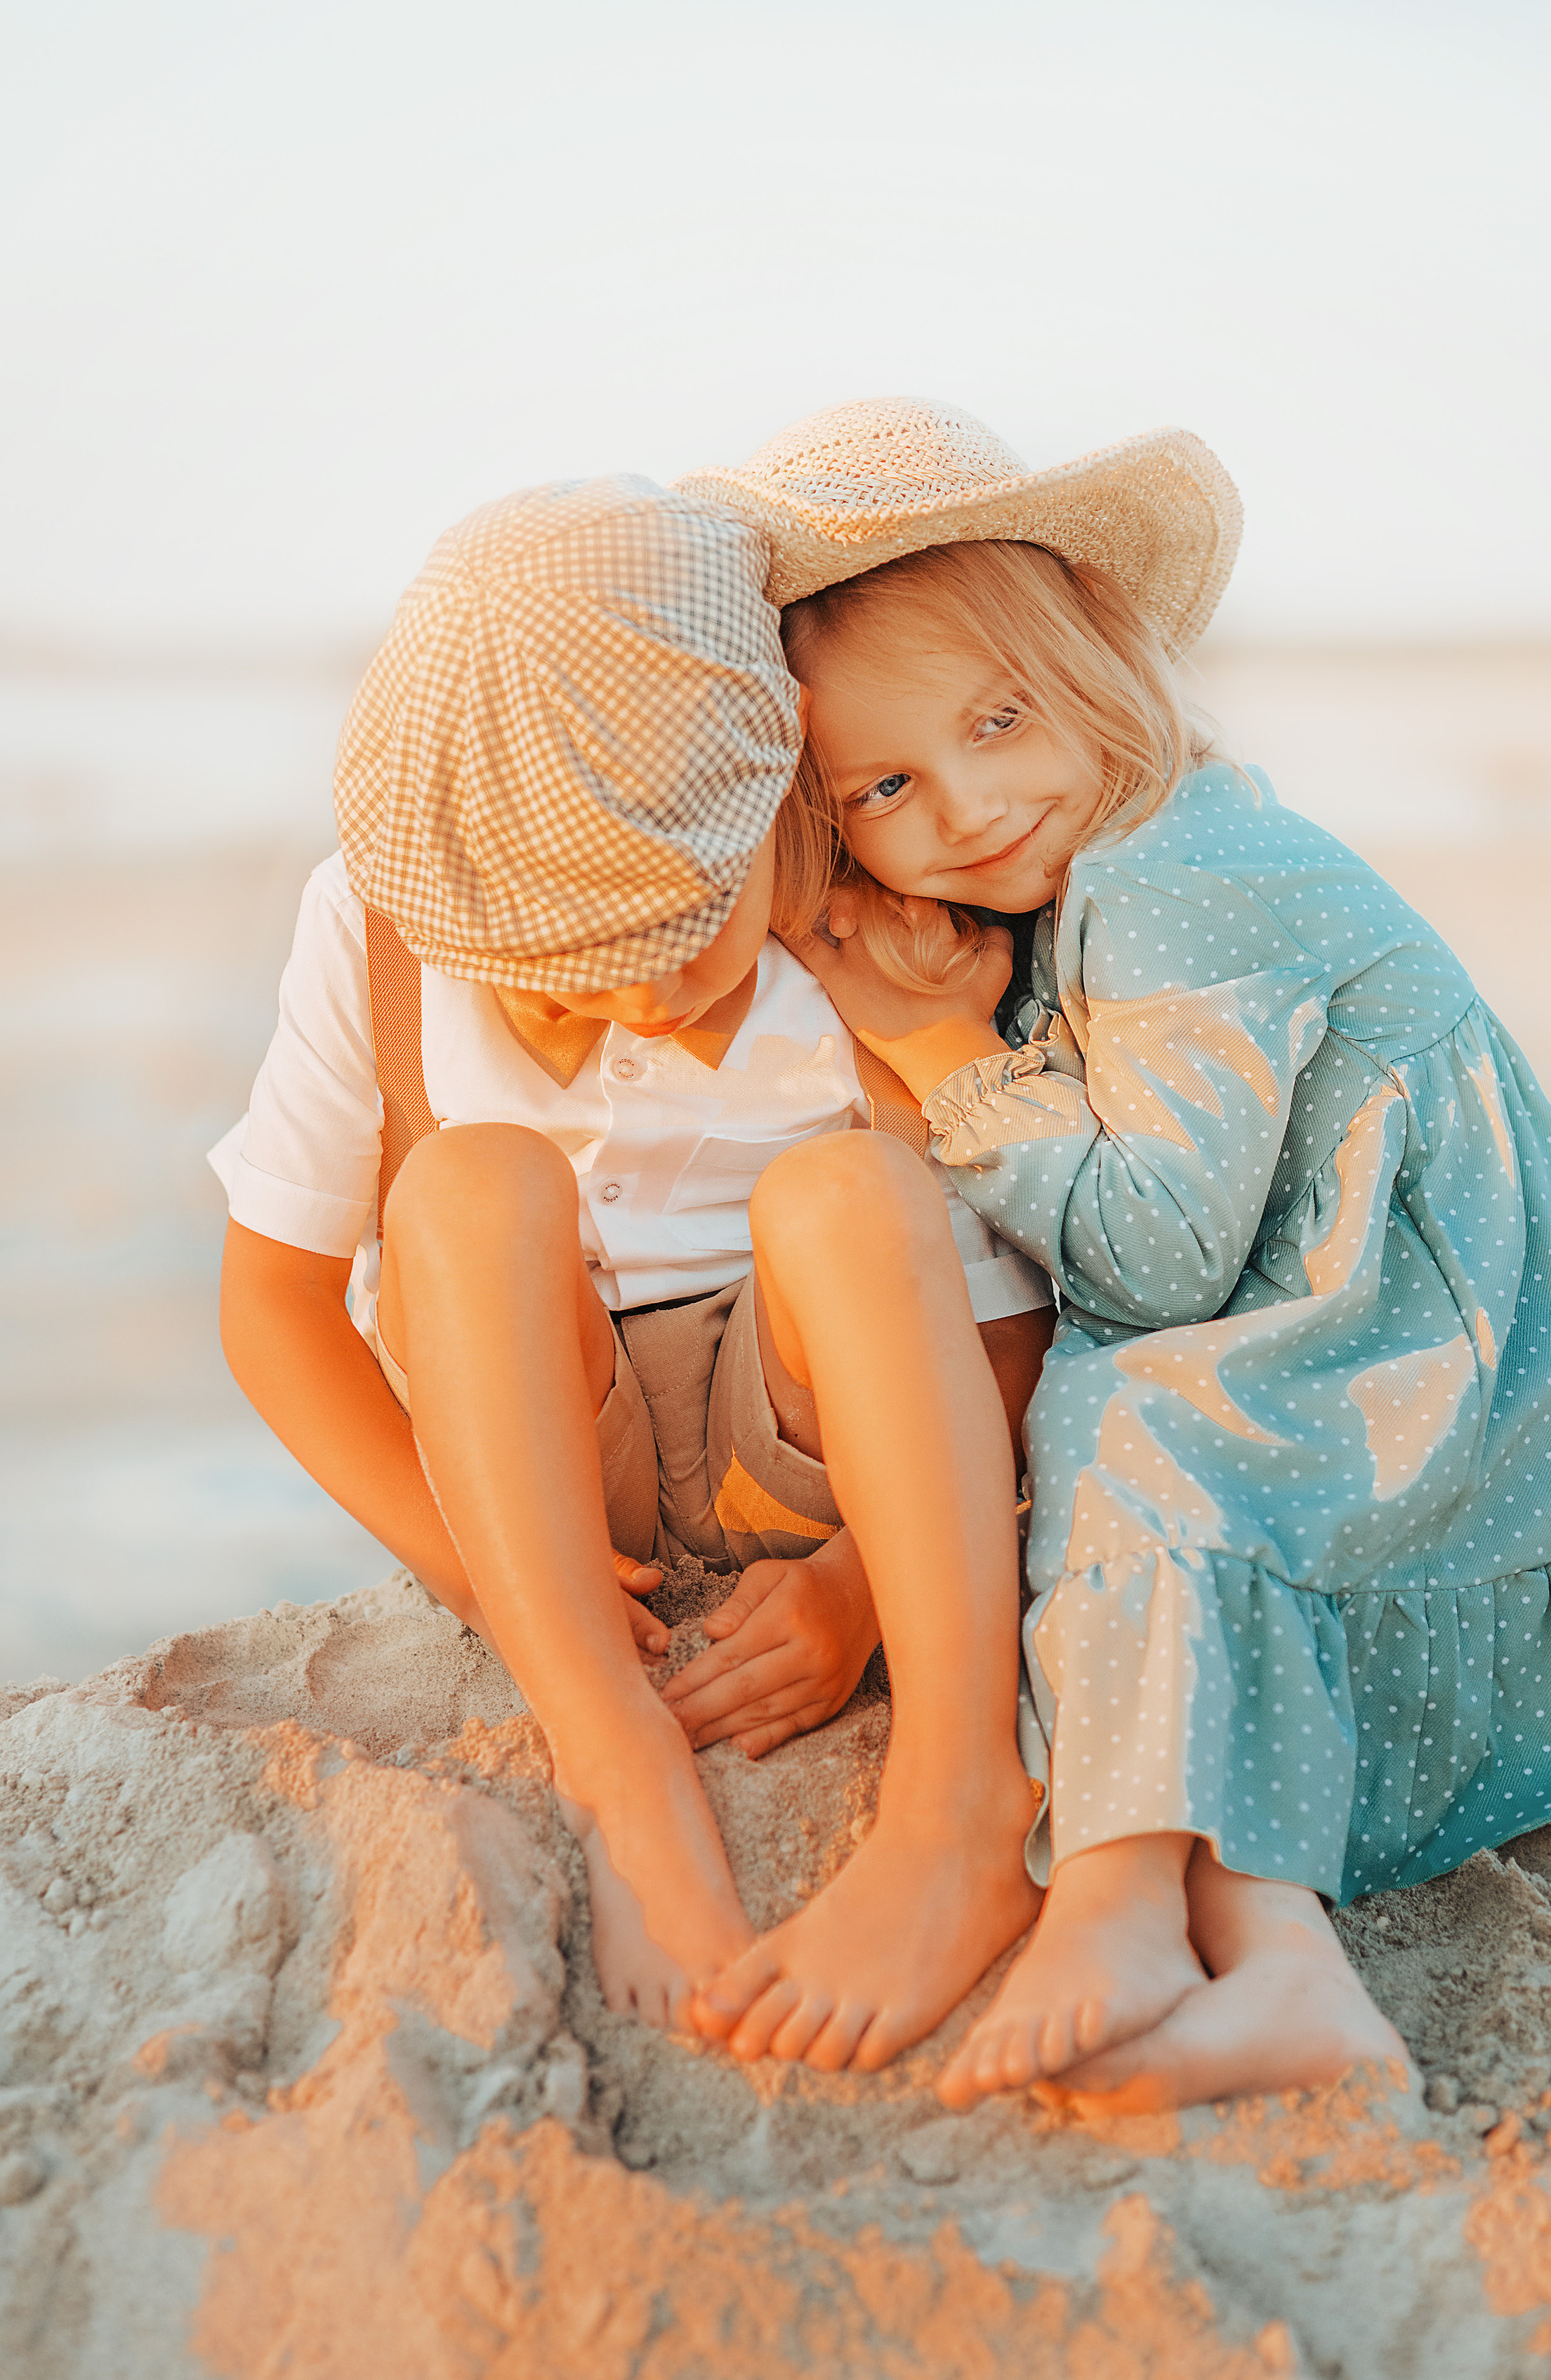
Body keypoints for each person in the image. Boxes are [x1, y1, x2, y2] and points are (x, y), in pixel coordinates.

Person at [674, 397, 1551, 2113]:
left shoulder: (1177, 876)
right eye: (883, 785)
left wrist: (944, 1064)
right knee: (1136, 1435)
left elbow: (1155, 1258)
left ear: (1091, 654)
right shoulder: (1098, 868)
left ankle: (1109, 1904)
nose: (967, 803)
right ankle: (1287, 1975)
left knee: (1124, 1422)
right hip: (1361, 1349)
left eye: (995, 718)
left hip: (1457, 1399)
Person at [210, 473, 1050, 2064]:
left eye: (684, 927)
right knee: (465, 1182)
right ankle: (612, 1760)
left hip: (806, 1444)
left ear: (778, 758)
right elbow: (274, 1309)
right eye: (574, 968)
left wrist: (858, 1590)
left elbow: (999, 1318)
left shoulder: (868, 909)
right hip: (545, 1461)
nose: (651, 999)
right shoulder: (381, 924)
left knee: (859, 1196)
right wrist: (481, 1573)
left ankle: (958, 1792)